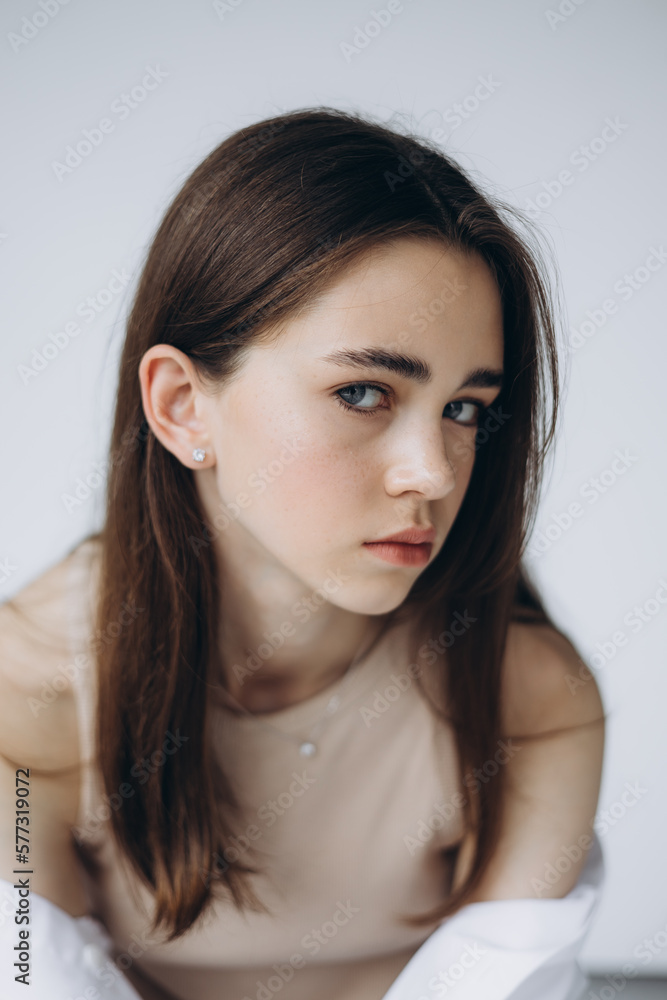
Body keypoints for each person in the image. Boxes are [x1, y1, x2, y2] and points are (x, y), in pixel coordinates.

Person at [0, 107, 606, 1000]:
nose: (433, 472)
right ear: (182, 407)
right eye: (362, 392)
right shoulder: (28, 695)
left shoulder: (528, 696)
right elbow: (26, 971)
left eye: (464, 409)